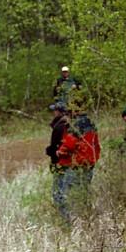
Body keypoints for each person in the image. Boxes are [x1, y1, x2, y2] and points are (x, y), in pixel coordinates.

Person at [54, 92, 100, 221]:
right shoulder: (91, 123)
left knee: (65, 193)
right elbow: (96, 145)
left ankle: (69, 222)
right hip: (90, 163)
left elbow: (69, 143)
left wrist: (60, 152)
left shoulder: (77, 125)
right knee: (85, 191)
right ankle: (88, 218)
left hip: (78, 164)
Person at [45, 101, 69, 172]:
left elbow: (55, 145)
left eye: (55, 110)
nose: (54, 112)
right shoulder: (68, 124)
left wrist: (49, 151)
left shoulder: (59, 126)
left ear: (60, 112)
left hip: (60, 160)